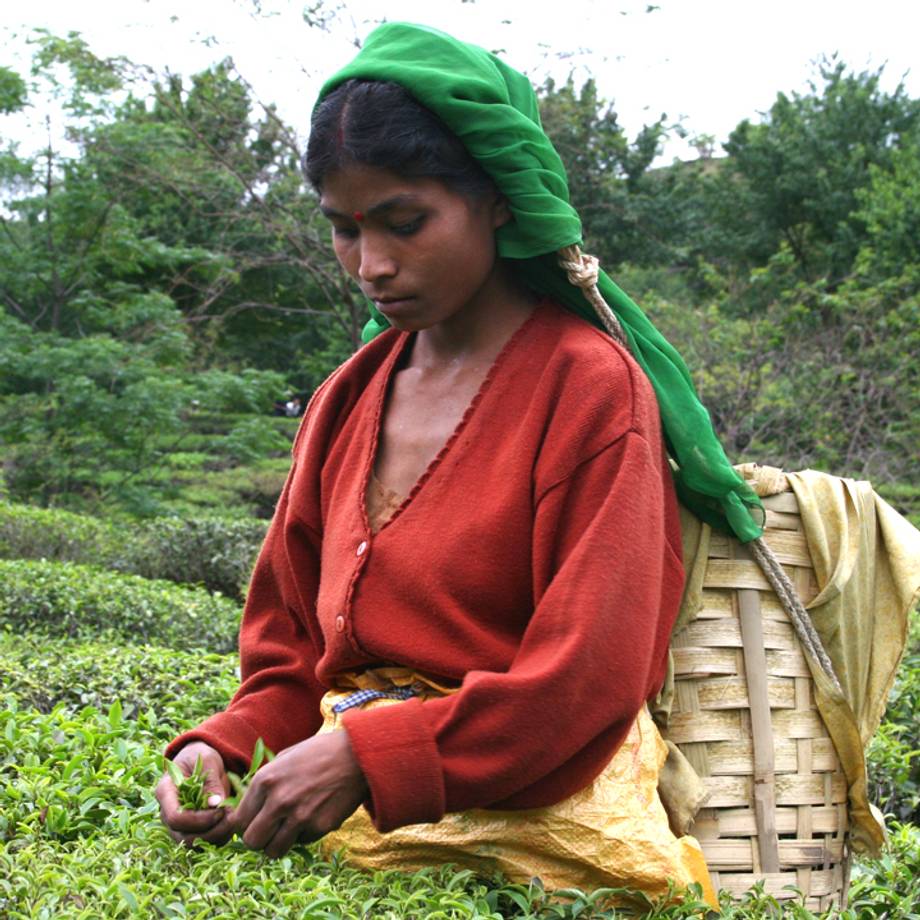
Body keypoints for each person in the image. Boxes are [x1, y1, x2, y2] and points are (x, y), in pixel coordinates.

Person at [156, 22, 763, 904]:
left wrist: (375, 758)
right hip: (355, 805)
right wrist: (232, 741)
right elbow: (292, 647)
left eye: (406, 223)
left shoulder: (588, 391)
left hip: (544, 813)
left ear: (501, 201)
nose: (372, 265)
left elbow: (587, 678)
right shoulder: (347, 397)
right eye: (344, 230)